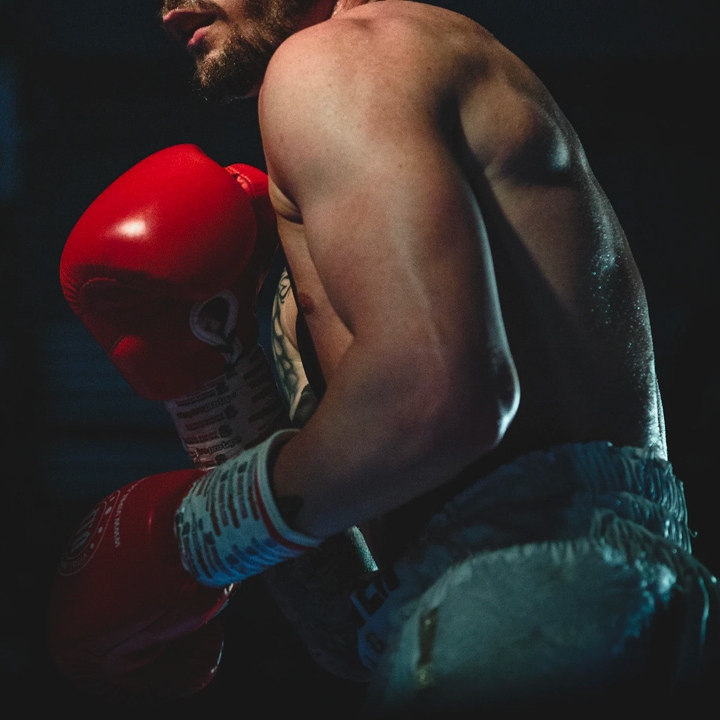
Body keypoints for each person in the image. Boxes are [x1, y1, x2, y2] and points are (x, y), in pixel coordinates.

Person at [47, 0, 719, 715]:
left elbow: (438, 395)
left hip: (533, 602)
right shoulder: (406, 87)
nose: (166, 5)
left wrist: (194, 539)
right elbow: (351, 631)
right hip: (607, 602)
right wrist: (219, 398)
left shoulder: (333, 61)